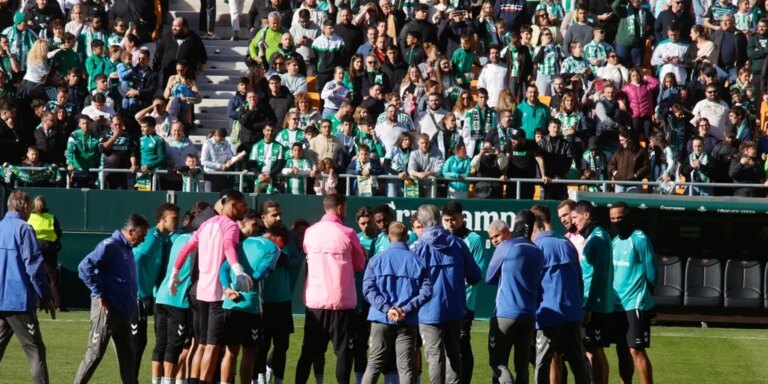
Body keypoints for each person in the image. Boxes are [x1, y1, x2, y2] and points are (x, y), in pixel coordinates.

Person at [168, 191, 251, 384]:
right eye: (243, 205)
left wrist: (174, 274)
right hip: (215, 294)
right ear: (232, 205)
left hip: (199, 292)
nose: (245, 209)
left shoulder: (205, 224)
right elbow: (229, 245)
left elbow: (186, 249)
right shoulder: (230, 225)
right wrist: (237, 269)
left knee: (202, 345)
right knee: (212, 346)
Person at [295, 194, 365, 384]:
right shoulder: (348, 233)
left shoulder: (310, 232)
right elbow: (359, 265)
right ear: (341, 208)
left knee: (307, 352)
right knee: (343, 353)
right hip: (341, 303)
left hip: (315, 301)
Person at [74, 213, 150, 384]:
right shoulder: (111, 246)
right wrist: (98, 293)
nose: (143, 240)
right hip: (107, 310)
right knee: (95, 353)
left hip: (123, 313)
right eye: (141, 236)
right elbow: (84, 267)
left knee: (128, 356)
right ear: (131, 231)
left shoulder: (127, 249)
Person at [412, 204, 481, 384]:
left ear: (421, 222)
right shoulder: (457, 243)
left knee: (435, 357)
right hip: (455, 308)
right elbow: (474, 275)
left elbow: (411, 282)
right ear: (440, 217)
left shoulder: (418, 248)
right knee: (454, 353)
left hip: (428, 311)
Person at [362, 221, 432, 384]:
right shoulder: (418, 261)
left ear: (388, 237)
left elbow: (368, 290)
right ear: (407, 237)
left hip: (381, 318)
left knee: (374, 365)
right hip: (406, 320)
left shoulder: (376, 260)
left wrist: (387, 309)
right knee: (406, 368)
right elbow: (426, 292)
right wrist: (405, 309)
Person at [529, 206, 592, 384]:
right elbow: (579, 280)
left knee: (542, 362)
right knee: (578, 360)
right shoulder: (566, 243)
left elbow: (532, 284)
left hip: (549, 314)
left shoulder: (536, 248)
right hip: (572, 312)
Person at [220, 220, 288, 384]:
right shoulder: (273, 249)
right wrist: (243, 284)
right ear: (277, 237)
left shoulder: (244, 242)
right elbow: (261, 274)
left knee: (230, 352)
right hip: (250, 306)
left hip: (230, 304)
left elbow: (223, 269)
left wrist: (228, 288)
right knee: (250, 352)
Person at [485, 211, 545, 384]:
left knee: (497, 362)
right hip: (529, 314)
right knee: (522, 366)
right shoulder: (538, 251)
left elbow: (489, 277)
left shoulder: (507, 246)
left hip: (506, 312)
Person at [0, 191, 54, 384]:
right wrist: (46, 296)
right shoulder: (24, 229)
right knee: (35, 350)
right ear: (22, 206)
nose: (31, 209)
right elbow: (33, 266)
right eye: (30, 205)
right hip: (18, 301)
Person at [609, 202, 658, 384]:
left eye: (620, 218)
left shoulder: (640, 239)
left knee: (636, 350)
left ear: (628, 218)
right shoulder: (614, 242)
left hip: (635, 303)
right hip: (617, 304)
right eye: (613, 219)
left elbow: (652, 272)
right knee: (622, 350)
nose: (616, 222)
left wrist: (647, 297)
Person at [131, 203, 180, 381]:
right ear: (162, 219)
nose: (177, 222)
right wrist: (144, 295)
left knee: (141, 342)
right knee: (135, 343)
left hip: (144, 296)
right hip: (135, 297)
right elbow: (136, 262)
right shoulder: (152, 237)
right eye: (174, 219)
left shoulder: (162, 238)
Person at [570, 200, 614, 384]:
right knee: (591, 349)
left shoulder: (599, 238)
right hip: (592, 302)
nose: (573, 222)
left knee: (595, 349)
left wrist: (588, 306)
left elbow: (600, 274)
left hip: (595, 305)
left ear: (586, 215)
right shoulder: (594, 236)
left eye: (575, 217)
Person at [26, 195, 64, 311]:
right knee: (53, 279)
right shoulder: (51, 218)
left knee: (36, 277)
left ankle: (38, 304)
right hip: (49, 249)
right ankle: (58, 304)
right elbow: (58, 233)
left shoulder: (29, 218)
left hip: (35, 250)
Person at [153, 17, 208, 87]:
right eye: (173, 25)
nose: (174, 28)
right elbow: (159, 53)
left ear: (184, 27)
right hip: (169, 73)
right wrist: (156, 68)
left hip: (187, 75)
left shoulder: (194, 39)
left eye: (177, 26)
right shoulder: (167, 37)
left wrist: (200, 69)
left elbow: (202, 55)